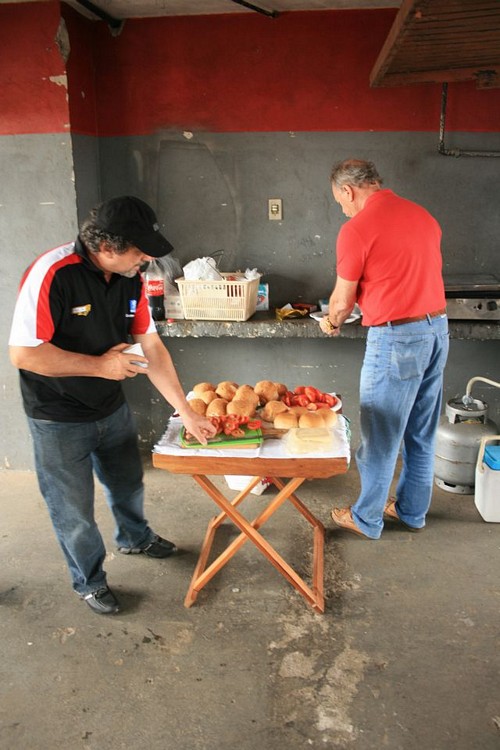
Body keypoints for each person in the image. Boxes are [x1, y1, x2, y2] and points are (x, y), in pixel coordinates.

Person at [9, 196, 217, 614]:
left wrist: (188, 411)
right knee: (74, 511)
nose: (146, 260)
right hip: (58, 416)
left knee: (127, 483)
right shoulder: (52, 273)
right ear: (107, 247)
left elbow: (151, 346)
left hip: (110, 408)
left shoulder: (129, 278)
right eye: (139, 251)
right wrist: (101, 366)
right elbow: (24, 354)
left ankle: (135, 538)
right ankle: (89, 580)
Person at [320, 159, 449, 540]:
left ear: (348, 190)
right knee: (421, 433)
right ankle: (411, 512)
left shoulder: (356, 229)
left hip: (397, 339)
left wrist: (330, 322)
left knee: (380, 434)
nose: (342, 208)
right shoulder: (423, 216)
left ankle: (367, 517)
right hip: (437, 330)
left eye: (339, 200)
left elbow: (342, 303)